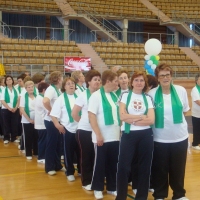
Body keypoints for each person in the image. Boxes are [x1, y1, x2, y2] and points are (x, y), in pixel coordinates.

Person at [148, 63, 190, 200]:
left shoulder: (181, 90)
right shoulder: (152, 94)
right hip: (160, 139)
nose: (165, 77)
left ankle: (179, 194)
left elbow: (185, 110)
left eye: (168, 74)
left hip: (180, 138)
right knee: (160, 169)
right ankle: (159, 195)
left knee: (178, 169)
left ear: (171, 76)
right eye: (162, 75)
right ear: (158, 78)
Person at [116, 71, 155, 200]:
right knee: (123, 166)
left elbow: (151, 120)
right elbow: (122, 116)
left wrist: (131, 119)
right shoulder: (125, 96)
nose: (139, 83)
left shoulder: (148, 98)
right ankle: (121, 196)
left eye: (142, 80)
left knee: (144, 167)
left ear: (145, 83)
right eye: (136, 80)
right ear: (131, 82)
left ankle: (141, 196)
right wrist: (139, 117)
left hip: (146, 135)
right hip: (129, 134)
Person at [88, 70, 120, 199]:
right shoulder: (96, 96)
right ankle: (97, 187)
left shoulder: (114, 96)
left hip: (115, 135)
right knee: (100, 163)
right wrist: (98, 134)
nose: (117, 84)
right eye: (115, 81)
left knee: (113, 163)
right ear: (108, 81)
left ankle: (112, 187)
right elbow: (91, 116)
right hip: (102, 136)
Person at [71, 69, 101, 190]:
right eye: (95, 80)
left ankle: (96, 177)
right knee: (87, 156)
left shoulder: (101, 94)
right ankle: (86, 181)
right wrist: (84, 123)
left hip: (97, 130)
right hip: (85, 131)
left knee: (96, 156)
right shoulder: (83, 95)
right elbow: (74, 113)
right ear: (89, 81)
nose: (97, 82)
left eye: (99, 80)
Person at [50, 77, 80, 181]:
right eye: (68, 84)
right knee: (68, 152)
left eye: (72, 83)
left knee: (80, 151)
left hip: (80, 128)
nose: (71, 85)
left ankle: (81, 170)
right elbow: (53, 115)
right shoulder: (61, 98)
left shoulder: (79, 96)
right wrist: (58, 125)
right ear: (64, 87)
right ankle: (70, 172)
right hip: (67, 129)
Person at [43, 71, 64, 176]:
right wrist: (52, 112)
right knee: (51, 143)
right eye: (62, 77)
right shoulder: (51, 89)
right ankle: (49, 167)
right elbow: (45, 101)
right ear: (58, 79)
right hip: (51, 121)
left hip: (57, 120)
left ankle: (57, 165)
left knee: (57, 144)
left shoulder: (58, 89)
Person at [20, 81, 38, 160]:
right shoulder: (24, 97)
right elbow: (22, 109)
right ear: (26, 89)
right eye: (29, 87)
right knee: (28, 137)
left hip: (36, 120)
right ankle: (28, 153)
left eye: (32, 87)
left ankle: (36, 152)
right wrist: (29, 119)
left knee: (36, 136)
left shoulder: (37, 96)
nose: (31, 89)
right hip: (27, 120)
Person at [0, 75, 20, 144]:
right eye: (7, 80)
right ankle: (6, 138)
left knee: (14, 123)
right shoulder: (3, 90)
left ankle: (14, 137)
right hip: (6, 109)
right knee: (6, 124)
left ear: (12, 80)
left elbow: (18, 99)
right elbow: (2, 100)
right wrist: (9, 108)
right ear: (5, 82)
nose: (9, 81)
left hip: (15, 109)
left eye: (10, 79)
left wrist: (15, 107)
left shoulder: (16, 89)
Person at [34, 82, 49, 163]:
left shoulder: (40, 97)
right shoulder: (40, 98)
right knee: (42, 140)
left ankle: (42, 156)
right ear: (44, 90)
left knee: (43, 140)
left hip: (42, 122)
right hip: (42, 123)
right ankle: (41, 157)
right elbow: (47, 109)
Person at [191, 74, 200, 150]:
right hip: (197, 114)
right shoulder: (195, 90)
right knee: (197, 129)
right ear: (196, 81)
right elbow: (198, 101)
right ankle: (195, 144)